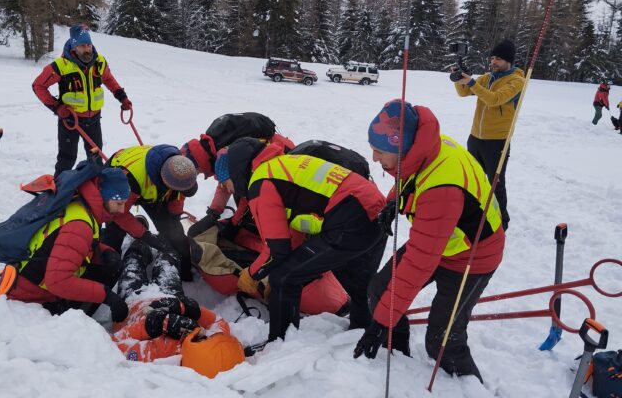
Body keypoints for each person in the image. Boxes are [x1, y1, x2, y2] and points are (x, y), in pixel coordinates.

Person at [353, 100, 505, 383]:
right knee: (380, 288)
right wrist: (393, 201)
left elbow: (419, 262)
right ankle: (397, 355)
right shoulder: (425, 146)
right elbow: (409, 175)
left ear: (403, 148)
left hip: (471, 258)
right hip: (441, 239)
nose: (373, 158)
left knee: (442, 341)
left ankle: (471, 387)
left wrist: (379, 324)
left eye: (380, 151)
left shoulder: (442, 190)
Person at [215, 138, 387, 341]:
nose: (230, 190)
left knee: (284, 278)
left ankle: (280, 342)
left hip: (350, 221)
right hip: (378, 213)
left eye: (227, 183)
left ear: (235, 172)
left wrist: (252, 274)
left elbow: (276, 249)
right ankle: (363, 331)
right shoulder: (283, 165)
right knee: (356, 281)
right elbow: (292, 234)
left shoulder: (261, 183)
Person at [1, 167, 137, 320]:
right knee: (107, 273)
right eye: (118, 203)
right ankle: (76, 321)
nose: (122, 210)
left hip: (28, 280)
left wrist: (103, 251)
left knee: (110, 261)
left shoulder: (80, 204)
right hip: (31, 299)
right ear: (104, 197)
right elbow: (58, 282)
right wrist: (108, 296)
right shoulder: (80, 225)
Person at [110, 239, 244, 377]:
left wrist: (150, 326)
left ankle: (139, 237)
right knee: (169, 255)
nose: (206, 335)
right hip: (170, 296)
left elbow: (114, 348)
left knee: (133, 259)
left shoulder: (163, 354)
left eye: (202, 340)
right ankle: (156, 235)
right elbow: (218, 322)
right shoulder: (215, 344)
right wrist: (188, 309)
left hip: (134, 302)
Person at [32, 24, 133, 177]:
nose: (87, 49)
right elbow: (38, 86)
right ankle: (59, 190)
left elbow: (109, 80)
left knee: (96, 157)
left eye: (89, 44)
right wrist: (57, 107)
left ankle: (97, 188)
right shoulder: (61, 66)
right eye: (82, 45)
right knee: (67, 159)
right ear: (74, 46)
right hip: (71, 121)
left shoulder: (99, 62)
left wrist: (122, 97)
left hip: (93, 120)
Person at [182, 112, 295, 238]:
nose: (200, 174)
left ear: (199, 164)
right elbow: (225, 184)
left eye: (198, 171)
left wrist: (234, 224)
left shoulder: (228, 156)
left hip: (283, 160)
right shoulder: (218, 150)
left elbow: (246, 195)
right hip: (277, 147)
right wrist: (214, 212)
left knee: (269, 208)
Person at [453, 39, 524, 230]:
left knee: (495, 183)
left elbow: (495, 99)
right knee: (473, 178)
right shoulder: (487, 77)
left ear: (508, 61)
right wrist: (460, 79)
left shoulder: (517, 81)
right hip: (475, 137)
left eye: (498, 59)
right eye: (492, 58)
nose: (493, 62)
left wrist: (472, 82)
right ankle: (475, 214)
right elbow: (463, 93)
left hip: (497, 141)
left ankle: (502, 221)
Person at [103, 144, 199, 281]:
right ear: (166, 183)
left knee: (174, 233)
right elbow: (119, 214)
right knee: (113, 234)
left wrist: (174, 216)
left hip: (153, 188)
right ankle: (109, 274)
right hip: (124, 184)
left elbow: (178, 195)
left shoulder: (179, 168)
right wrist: (145, 235)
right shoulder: (128, 179)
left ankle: (185, 273)